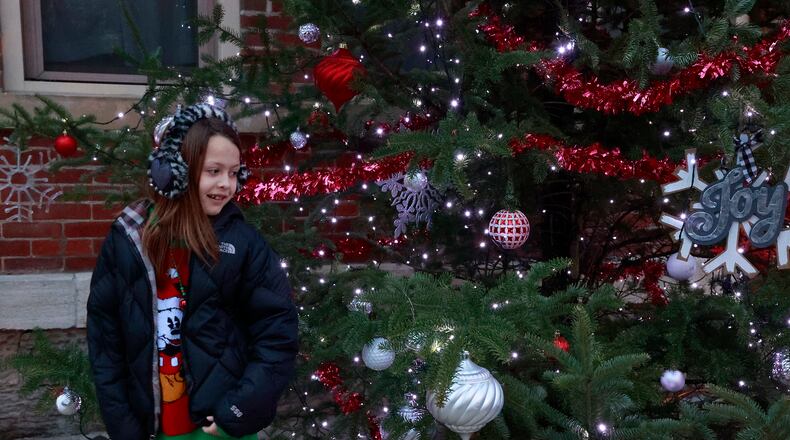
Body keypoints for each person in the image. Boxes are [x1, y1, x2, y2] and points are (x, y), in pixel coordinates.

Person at [87, 103, 298, 440]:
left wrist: (239, 409)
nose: (226, 184)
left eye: (233, 172)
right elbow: (105, 341)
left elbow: (277, 333)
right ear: (175, 171)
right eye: (213, 171)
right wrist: (123, 426)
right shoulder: (129, 238)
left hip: (217, 426)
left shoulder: (244, 243)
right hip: (152, 425)